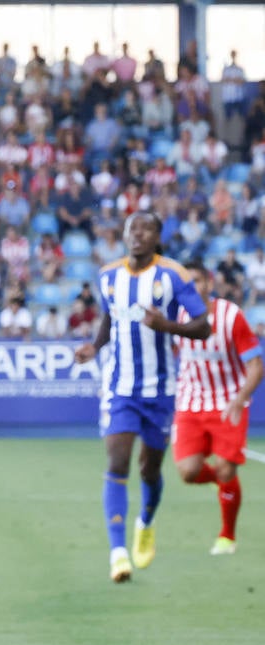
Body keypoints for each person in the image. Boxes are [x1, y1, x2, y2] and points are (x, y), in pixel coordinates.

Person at [74, 212, 210, 582]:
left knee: (150, 468)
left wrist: (168, 326)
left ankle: (145, 522)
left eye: (146, 228)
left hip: (161, 390)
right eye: (132, 227)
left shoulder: (174, 276)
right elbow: (109, 318)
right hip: (120, 387)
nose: (137, 234)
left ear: (157, 236)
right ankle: (118, 554)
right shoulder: (108, 275)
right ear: (124, 233)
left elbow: (203, 325)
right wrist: (95, 347)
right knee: (117, 462)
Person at [172, 264, 262, 555]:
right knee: (187, 472)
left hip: (228, 403)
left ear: (209, 284)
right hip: (190, 403)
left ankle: (227, 536)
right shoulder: (176, 316)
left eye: (196, 281)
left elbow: (255, 366)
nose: (191, 288)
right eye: (186, 283)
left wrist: (240, 398)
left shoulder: (231, 317)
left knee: (225, 468)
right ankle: (220, 482)